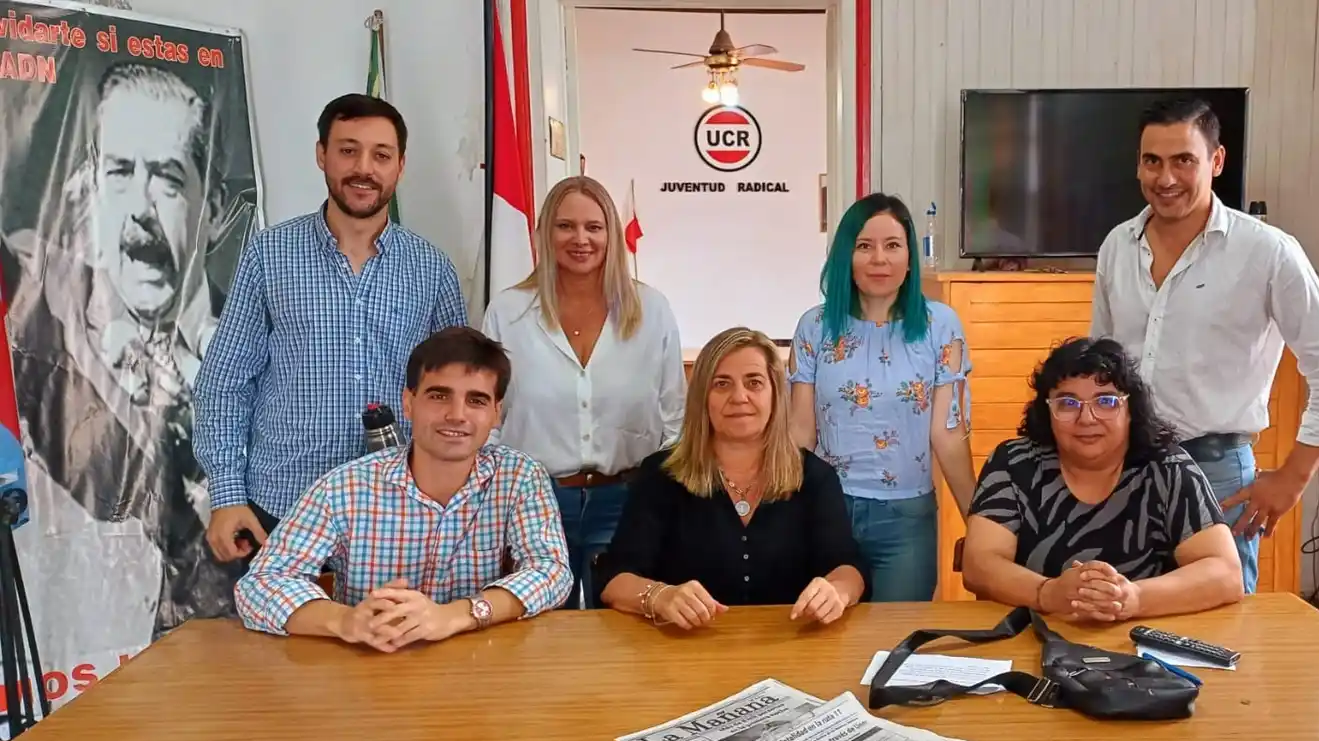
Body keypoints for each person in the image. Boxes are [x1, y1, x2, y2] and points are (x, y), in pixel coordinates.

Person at [1090, 98, 1319, 593]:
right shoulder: (1117, 244)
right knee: (1119, 614)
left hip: (1216, 475)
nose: (1165, 177)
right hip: (1125, 468)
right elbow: (1102, 366)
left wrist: (1293, 477)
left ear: (1216, 161)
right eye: (1152, 161)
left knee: (1215, 634)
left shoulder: (1266, 251)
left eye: (1184, 160)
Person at [4, 61, 239, 636]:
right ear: (86, 191)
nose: (140, 207)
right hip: (86, 648)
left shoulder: (251, 343)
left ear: (213, 210)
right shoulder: (40, 323)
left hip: (227, 641)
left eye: (166, 178)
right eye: (119, 173)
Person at [195, 94, 469, 569]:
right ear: (322, 154)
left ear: (400, 166)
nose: (364, 168)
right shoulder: (270, 256)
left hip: (401, 516)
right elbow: (223, 383)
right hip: (282, 511)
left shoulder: (432, 271)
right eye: (348, 150)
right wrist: (226, 494)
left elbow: (461, 396)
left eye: (381, 155)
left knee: (401, 642)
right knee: (279, 646)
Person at [235, 327, 572, 647]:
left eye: (477, 400)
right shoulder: (346, 487)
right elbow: (260, 584)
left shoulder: (520, 477)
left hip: (480, 673)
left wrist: (458, 615)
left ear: (496, 413)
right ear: (408, 403)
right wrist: (346, 622)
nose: (457, 415)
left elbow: (552, 571)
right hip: (373, 667)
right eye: (439, 396)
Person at [482, 176, 685, 609]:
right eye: (565, 226)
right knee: (537, 636)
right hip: (533, 502)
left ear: (611, 233)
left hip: (627, 498)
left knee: (619, 638)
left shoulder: (651, 310)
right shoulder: (508, 311)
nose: (580, 239)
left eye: (594, 227)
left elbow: (674, 417)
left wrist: (662, 500)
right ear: (544, 233)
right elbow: (489, 419)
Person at [597, 327, 863, 629]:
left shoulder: (814, 476)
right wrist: (659, 596)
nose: (739, 397)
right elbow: (614, 578)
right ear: (702, 398)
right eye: (722, 384)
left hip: (791, 649)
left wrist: (837, 592)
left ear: (776, 394)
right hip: (684, 653)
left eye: (754, 383)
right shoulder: (660, 476)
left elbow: (848, 566)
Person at [961, 337, 1243, 621]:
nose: (1087, 418)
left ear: (1131, 410)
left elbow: (1226, 573)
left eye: (1106, 401)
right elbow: (978, 563)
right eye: (1068, 403)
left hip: (1145, 640)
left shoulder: (1167, 468)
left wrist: (1134, 598)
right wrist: (1046, 593)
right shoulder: (1013, 462)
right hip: (1031, 633)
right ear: (1048, 411)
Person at [788, 192, 973, 603]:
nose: (879, 260)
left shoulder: (940, 326)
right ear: (844, 258)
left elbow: (949, 434)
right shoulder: (814, 327)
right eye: (864, 247)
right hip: (825, 510)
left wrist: (976, 525)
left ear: (910, 256)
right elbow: (800, 433)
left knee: (895, 641)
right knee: (825, 638)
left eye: (892, 246)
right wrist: (779, 515)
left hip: (906, 518)